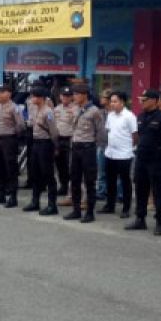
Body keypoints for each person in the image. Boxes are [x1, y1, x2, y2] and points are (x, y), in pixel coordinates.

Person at [127, 89, 161, 236]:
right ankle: (140, 218)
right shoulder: (141, 116)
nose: (142, 102)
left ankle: (159, 222)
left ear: (154, 100)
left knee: (159, 191)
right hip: (142, 158)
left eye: (144, 99)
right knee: (140, 189)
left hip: (157, 160)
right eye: (141, 99)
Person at [64, 83, 105, 223]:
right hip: (75, 147)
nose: (74, 97)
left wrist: (96, 147)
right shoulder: (75, 109)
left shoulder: (94, 111)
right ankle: (76, 209)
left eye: (76, 94)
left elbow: (100, 132)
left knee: (89, 181)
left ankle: (89, 212)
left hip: (88, 148)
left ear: (84, 95)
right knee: (74, 179)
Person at [0, 85, 24, 208]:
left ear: (9, 94)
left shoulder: (14, 108)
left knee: (11, 169)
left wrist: (13, 135)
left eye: (3, 92)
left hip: (9, 139)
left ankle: (13, 197)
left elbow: (20, 125)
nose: (0, 94)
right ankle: (0, 194)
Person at [24, 85, 60, 215]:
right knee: (35, 173)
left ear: (40, 98)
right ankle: (35, 201)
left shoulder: (48, 112)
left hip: (45, 144)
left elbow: (54, 132)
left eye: (34, 96)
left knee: (48, 175)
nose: (32, 98)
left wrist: (55, 147)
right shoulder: (35, 109)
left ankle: (52, 205)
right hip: (36, 143)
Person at [101, 89, 137, 217]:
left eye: (115, 101)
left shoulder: (130, 116)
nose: (112, 104)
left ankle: (126, 209)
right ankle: (110, 205)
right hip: (110, 153)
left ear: (122, 102)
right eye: (111, 101)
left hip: (124, 155)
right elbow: (109, 131)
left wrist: (129, 148)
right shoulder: (110, 116)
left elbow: (135, 136)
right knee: (110, 181)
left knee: (125, 182)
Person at [53, 87, 77, 205]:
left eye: (68, 96)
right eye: (63, 95)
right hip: (59, 140)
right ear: (60, 96)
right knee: (60, 165)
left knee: (70, 166)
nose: (65, 98)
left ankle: (70, 190)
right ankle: (63, 186)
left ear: (71, 97)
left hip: (70, 140)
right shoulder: (56, 109)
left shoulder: (75, 109)